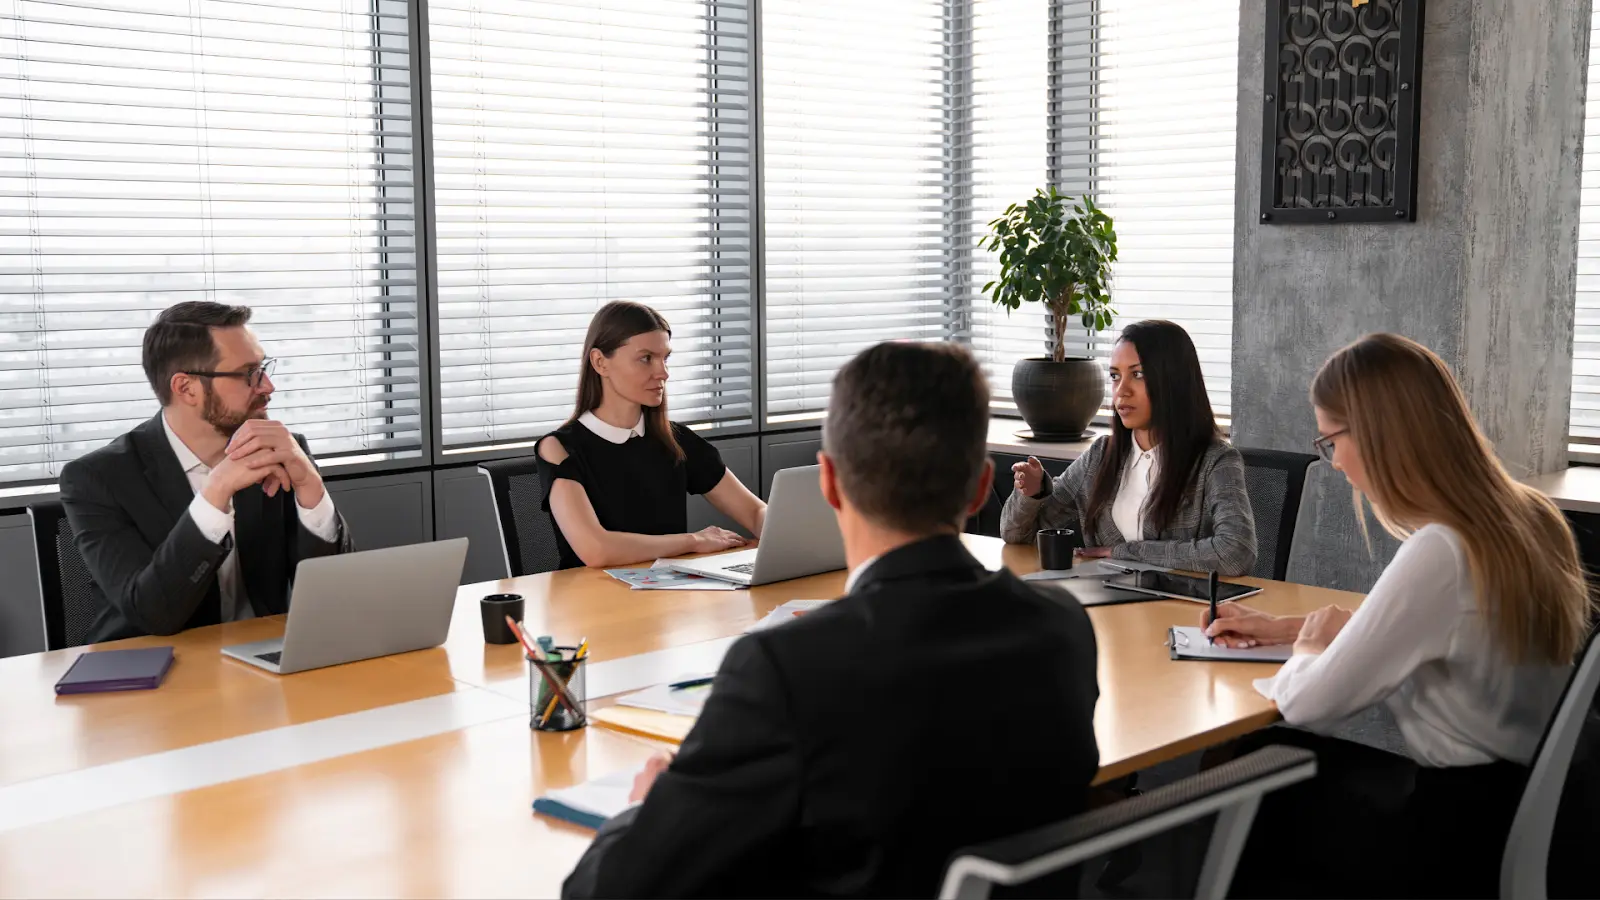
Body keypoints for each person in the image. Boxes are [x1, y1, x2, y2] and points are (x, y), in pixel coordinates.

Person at [561, 342, 1101, 898]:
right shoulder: (1062, 626)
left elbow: (612, 888)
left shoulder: (787, 667)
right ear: (981, 488)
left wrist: (641, 812)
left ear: (829, 483)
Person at [1202, 333, 1594, 898]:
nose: (1334, 463)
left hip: (1452, 838)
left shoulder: (1441, 550)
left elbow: (1309, 705)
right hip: (1532, 814)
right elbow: (1446, 630)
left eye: (1331, 441)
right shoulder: (1530, 517)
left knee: (1259, 763)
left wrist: (1308, 650)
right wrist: (1291, 628)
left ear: (1377, 434)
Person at [59, 302, 352, 643]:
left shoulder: (281, 450)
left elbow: (336, 598)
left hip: (261, 656)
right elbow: (152, 614)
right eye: (249, 373)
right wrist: (216, 493)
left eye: (263, 368)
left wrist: (312, 489)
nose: (268, 386)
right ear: (186, 388)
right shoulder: (98, 478)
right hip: (153, 665)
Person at [1001, 319, 1257, 576]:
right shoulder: (1100, 456)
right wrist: (1031, 494)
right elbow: (1016, 535)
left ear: (1174, 381)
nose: (1121, 391)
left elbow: (1236, 552)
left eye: (1138, 374)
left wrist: (1126, 552)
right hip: (1104, 598)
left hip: (1179, 600)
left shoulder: (1216, 461)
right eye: (1115, 376)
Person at [537, 301, 766, 569]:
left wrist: (783, 532)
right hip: (591, 592)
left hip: (666, 590)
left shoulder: (676, 440)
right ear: (600, 362)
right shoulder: (558, 448)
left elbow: (754, 511)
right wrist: (693, 541)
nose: (663, 373)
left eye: (665, 358)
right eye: (646, 358)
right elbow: (596, 549)